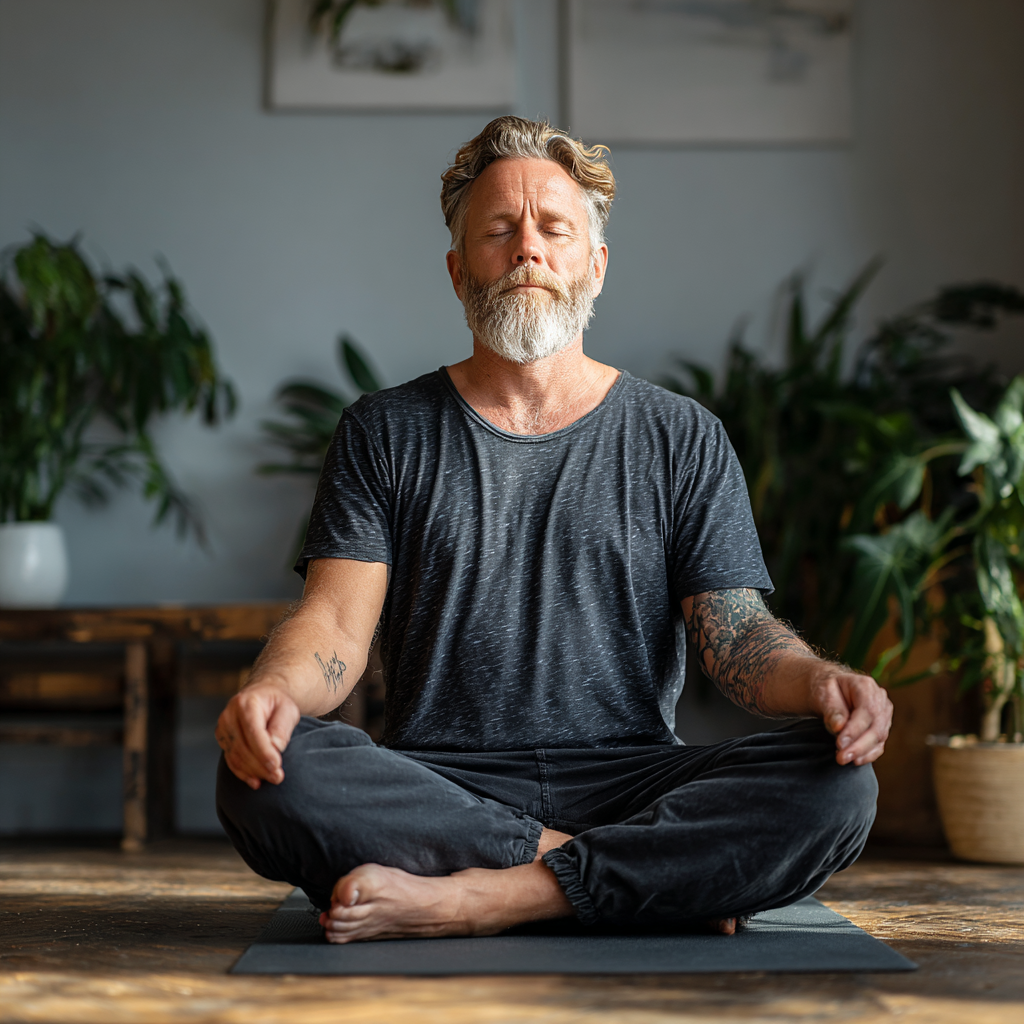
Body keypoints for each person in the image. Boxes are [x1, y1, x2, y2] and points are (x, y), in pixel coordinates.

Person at [215, 116, 892, 944]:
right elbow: (332, 625)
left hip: (634, 777)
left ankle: (480, 898)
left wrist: (823, 680)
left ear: (594, 265)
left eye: (554, 229)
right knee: (266, 774)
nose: (527, 249)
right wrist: (274, 694)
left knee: (840, 784)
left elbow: (737, 639)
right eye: (499, 230)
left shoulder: (681, 435)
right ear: (460, 270)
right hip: (442, 781)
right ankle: (627, 878)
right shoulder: (384, 430)